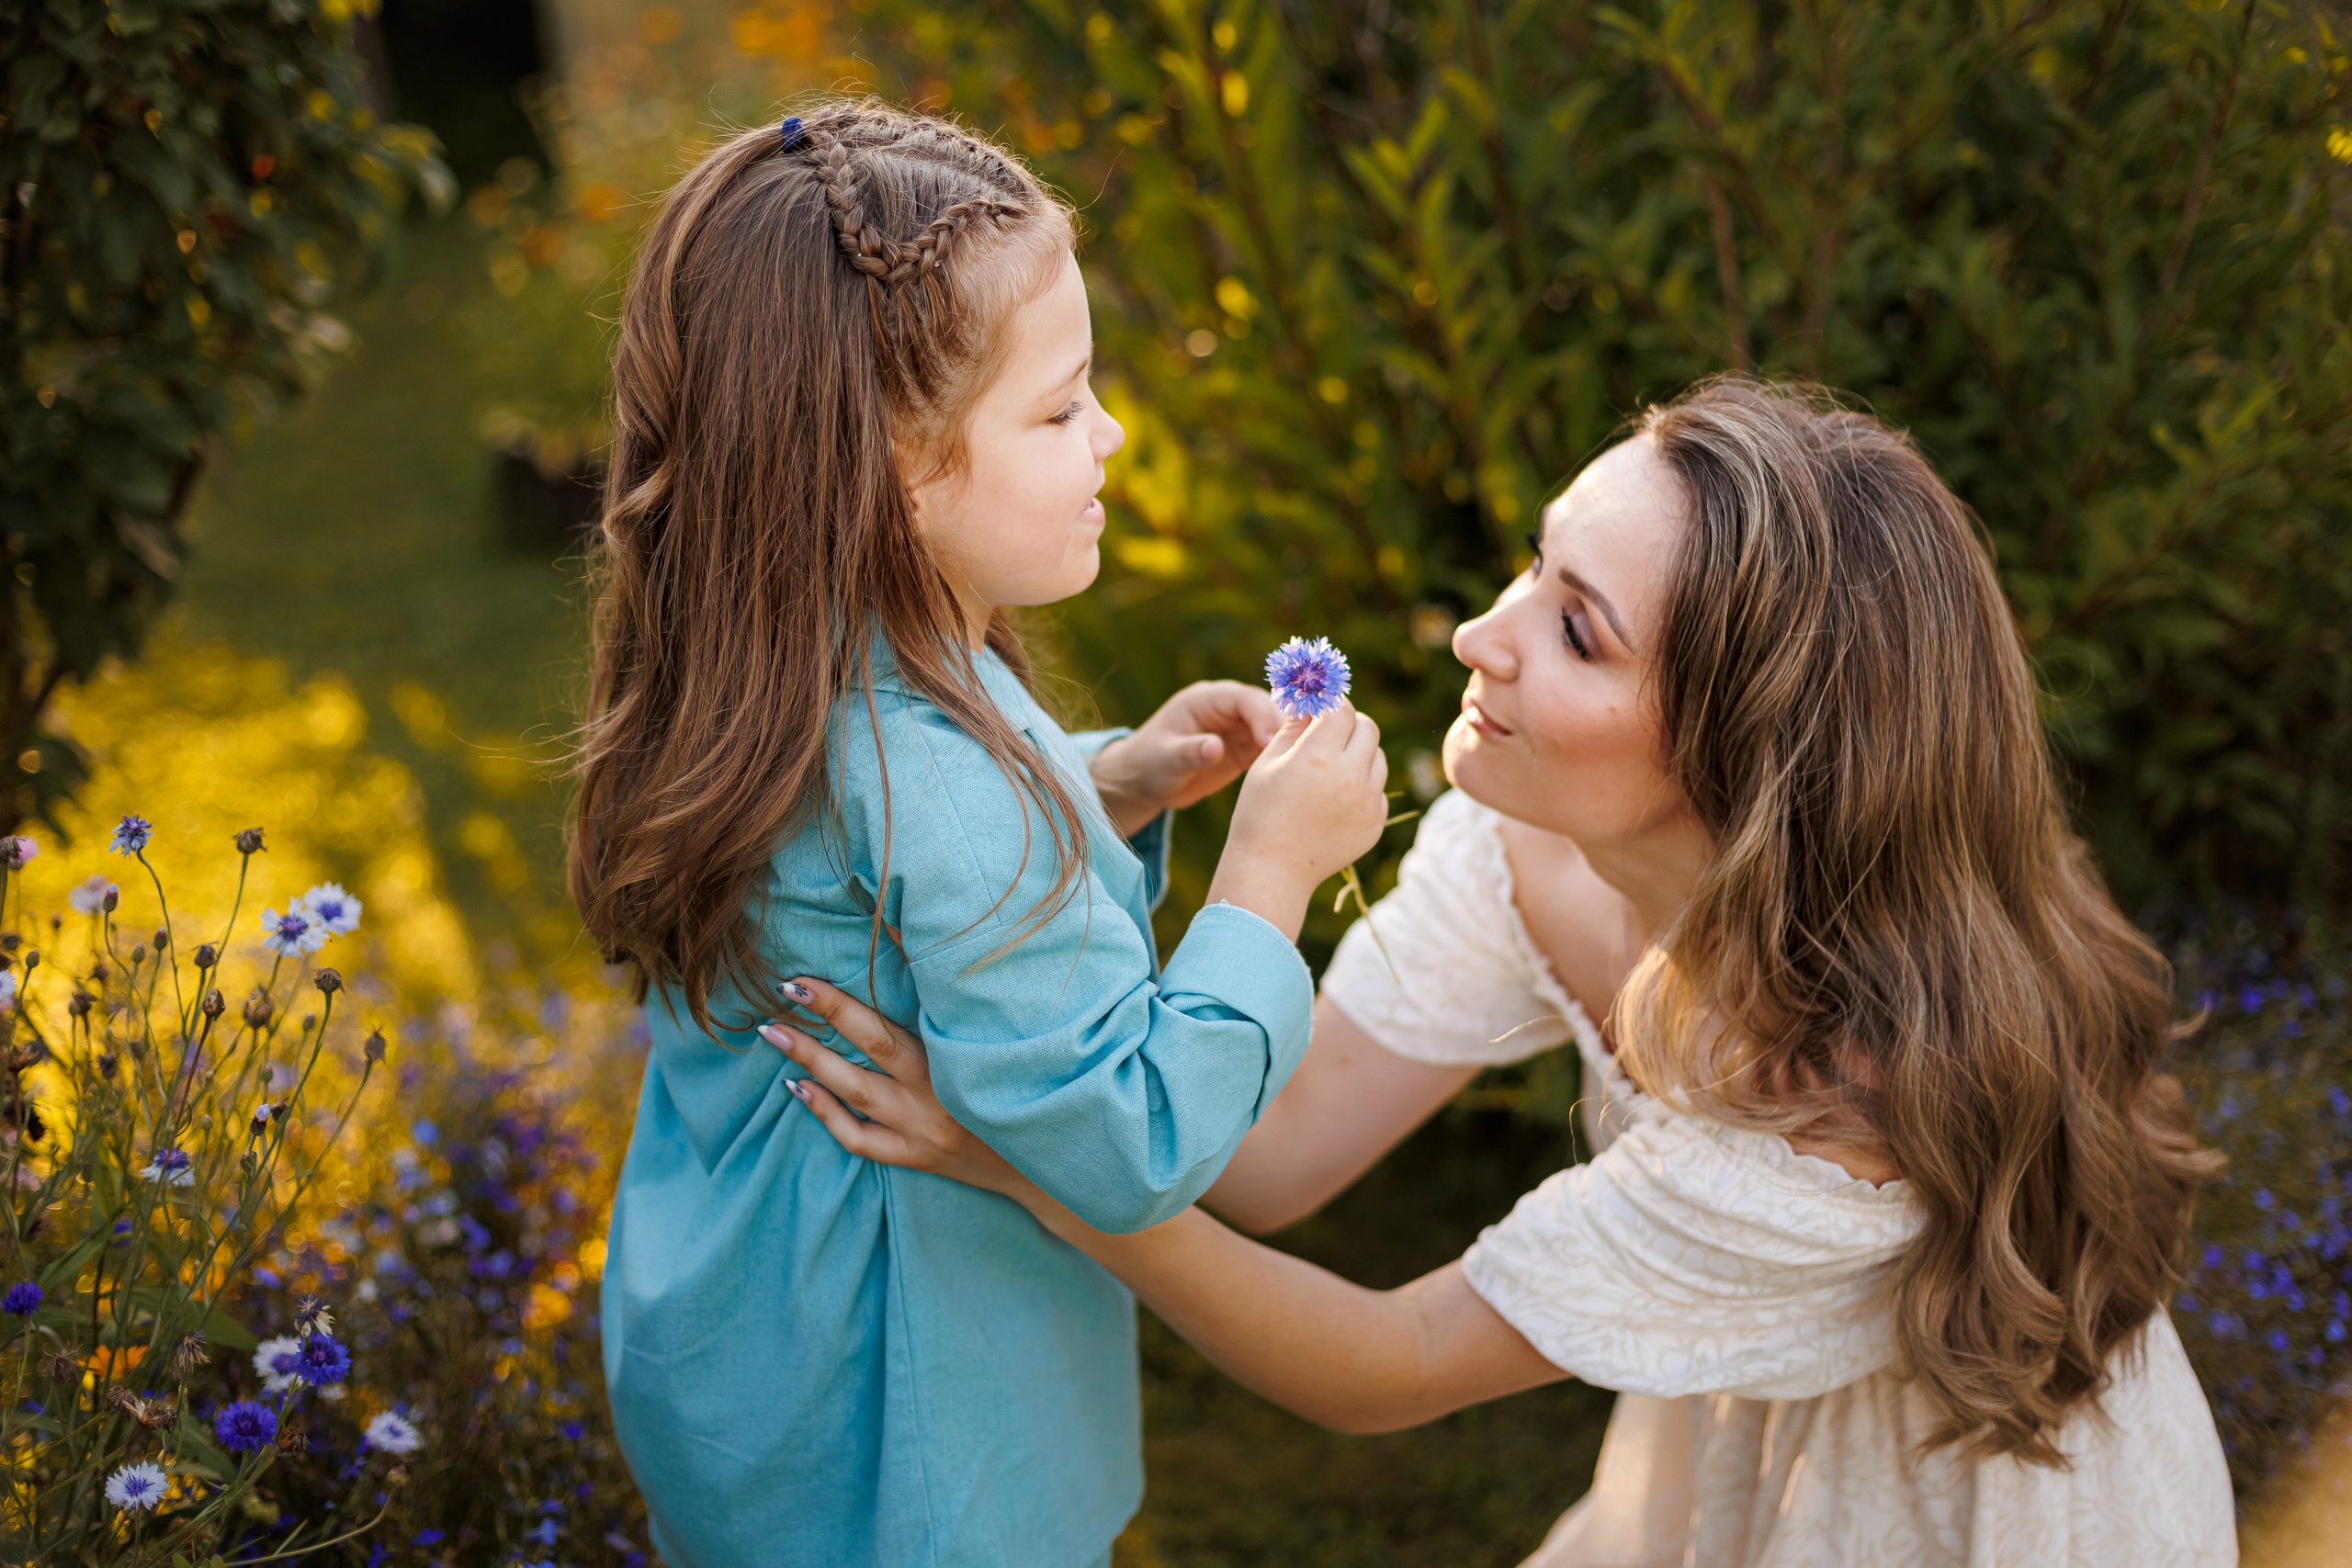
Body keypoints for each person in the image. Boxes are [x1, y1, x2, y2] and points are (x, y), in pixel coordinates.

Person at [770, 378, 2240, 1566]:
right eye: (1538, 562)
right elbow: (1268, 1163)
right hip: (1721, 1450)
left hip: (1971, 1514)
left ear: (1744, 761)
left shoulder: (1839, 1118)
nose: (1484, 634)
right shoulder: (1518, 844)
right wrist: (1164, 873)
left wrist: (1027, 1166)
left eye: (1576, 630)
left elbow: (1389, 1359)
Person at [564, 99, 1391, 1568]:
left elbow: (873, 861)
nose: (1111, 434)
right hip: (912, 1446)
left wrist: (1112, 782)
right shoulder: (945, 784)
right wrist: (1270, 876)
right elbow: (1132, 1138)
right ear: (892, 460)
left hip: (744, 1374)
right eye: (1062, 407)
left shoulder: (767, 661)